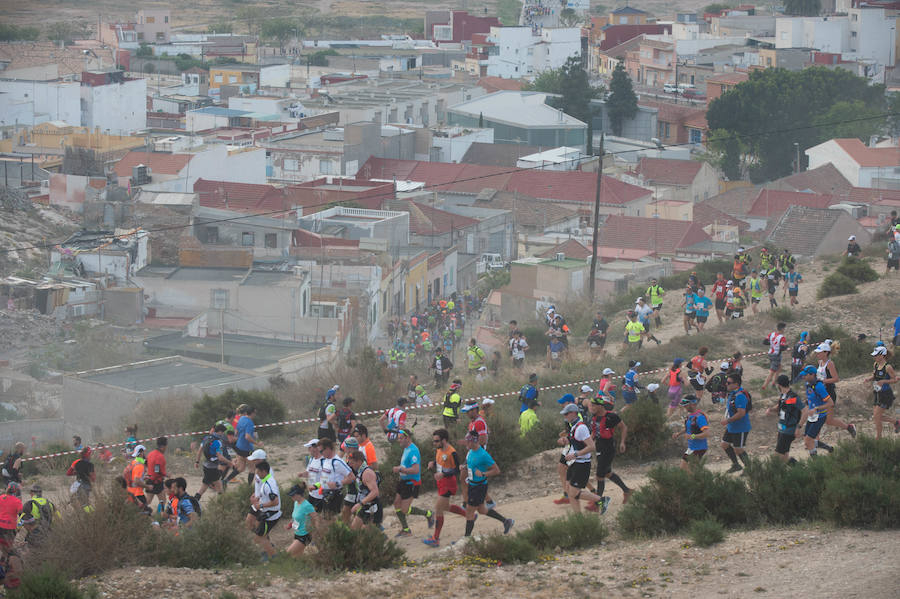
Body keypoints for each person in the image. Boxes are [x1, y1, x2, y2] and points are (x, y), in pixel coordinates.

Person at [460, 431, 513, 537]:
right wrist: (464, 467)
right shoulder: (470, 452)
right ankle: (506, 521)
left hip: (479, 487)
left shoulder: (483, 455)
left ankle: (466, 539)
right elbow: (470, 464)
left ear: (474, 441)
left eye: (468, 441)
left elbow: (496, 470)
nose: (466, 443)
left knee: (469, 513)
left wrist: (483, 473)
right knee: (482, 510)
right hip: (472, 485)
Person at [423, 429, 468, 547]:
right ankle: (468, 515)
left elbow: (457, 469)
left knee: (438, 508)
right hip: (441, 482)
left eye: (437, 441)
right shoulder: (439, 449)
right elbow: (440, 461)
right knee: (446, 507)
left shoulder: (451, 452)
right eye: (434, 441)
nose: (435, 443)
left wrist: (443, 474)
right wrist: (432, 463)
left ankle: (435, 538)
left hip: (448, 482)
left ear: (444, 440)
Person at [559, 404, 605, 513]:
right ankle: (578, 518)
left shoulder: (581, 427)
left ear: (574, 413)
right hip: (575, 463)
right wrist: (566, 441)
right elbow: (578, 442)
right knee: (570, 491)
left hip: (581, 464)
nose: (565, 416)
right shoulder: (574, 426)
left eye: (566, 414)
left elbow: (592, 446)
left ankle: (601, 500)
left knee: (574, 493)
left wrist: (575, 454)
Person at [588, 396, 631, 512]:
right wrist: (588, 444)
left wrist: (622, 442)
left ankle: (598, 503)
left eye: (593, 406)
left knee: (599, 476)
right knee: (607, 473)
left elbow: (624, 427)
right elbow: (594, 432)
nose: (591, 408)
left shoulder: (611, 416)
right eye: (591, 405)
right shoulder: (594, 417)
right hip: (599, 447)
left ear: (600, 406)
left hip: (608, 448)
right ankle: (627, 491)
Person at [391, 429, 434, 537]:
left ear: (407, 438)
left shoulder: (413, 450)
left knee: (405, 509)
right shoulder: (406, 448)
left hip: (412, 482)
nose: (398, 440)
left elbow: (416, 470)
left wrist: (400, 469)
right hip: (404, 481)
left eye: (401, 438)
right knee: (396, 503)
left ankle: (428, 514)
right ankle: (406, 529)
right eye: (398, 438)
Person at [815, 342, 856, 441]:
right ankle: (815, 440)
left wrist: (822, 381)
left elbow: (836, 378)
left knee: (828, 420)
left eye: (819, 352)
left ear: (825, 353)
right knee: (818, 417)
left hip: (829, 393)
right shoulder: (820, 363)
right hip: (821, 392)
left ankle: (849, 427)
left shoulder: (830, 364)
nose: (817, 354)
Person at [764, 375, 803, 464]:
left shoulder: (793, 397)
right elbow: (781, 406)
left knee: (776, 457)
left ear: (779, 385)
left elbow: (805, 411)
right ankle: (801, 470)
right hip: (782, 429)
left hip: (789, 430)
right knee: (784, 457)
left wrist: (798, 427)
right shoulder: (784, 396)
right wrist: (771, 409)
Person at [865, 346, 899, 439]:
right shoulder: (875, 364)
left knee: (877, 417)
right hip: (877, 393)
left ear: (883, 355)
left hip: (885, 394)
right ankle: (896, 422)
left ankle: (878, 438)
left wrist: (884, 381)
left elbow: (895, 379)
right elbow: (874, 375)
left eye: (876, 355)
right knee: (876, 417)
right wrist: (869, 378)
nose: (874, 357)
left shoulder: (888, 367)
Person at [249, 460, 281, 560]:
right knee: (261, 535)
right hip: (267, 513)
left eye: (258, 472)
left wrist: (261, 505)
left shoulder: (269, 484)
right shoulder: (266, 481)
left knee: (259, 537)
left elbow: (275, 501)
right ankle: (268, 554)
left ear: (263, 472)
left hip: (271, 515)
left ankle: (274, 557)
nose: (257, 474)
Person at [799, 365, 834, 457]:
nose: (803, 377)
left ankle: (816, 462)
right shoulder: (808, 384)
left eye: (805, 375)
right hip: (812, 416)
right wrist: (806, 403)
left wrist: (816, 408)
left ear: (812, 375)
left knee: (807, 440)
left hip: (820, 416)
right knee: (807, 440)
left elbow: (830, 403)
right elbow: (812, 397)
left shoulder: (819, 387)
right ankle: (828, 448)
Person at [721, 374, 752, 473]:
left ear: (736, 384)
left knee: (738, 449)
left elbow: (741, 413)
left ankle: (750, 468)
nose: (727, 384)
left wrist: (728, 420)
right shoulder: (732, 393)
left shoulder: (740, 396)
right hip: (732, 426)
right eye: (727, 382)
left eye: (729, 383)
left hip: (740, 427)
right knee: (724, 444)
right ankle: (736, 464)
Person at [195, 424, 235, 499]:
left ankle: (195, 499)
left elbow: (200, 450)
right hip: (212, 467)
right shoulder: (218, 442)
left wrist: (197, 462)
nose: (223, 434)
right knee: (218, 485)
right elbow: (220, 457)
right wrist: (230, 463)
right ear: (220, 431)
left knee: (205, 485)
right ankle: (222, 503)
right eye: (223, 432)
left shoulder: (206, 438)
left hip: (206, 465)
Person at [317, 439, 354, 518]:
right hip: (325, 494)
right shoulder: (325, 460)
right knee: (325, 519)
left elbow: (351, 477)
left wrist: (338, 483)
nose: (321, 453)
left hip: (334, 495)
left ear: (327, 448)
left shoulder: (337, 462)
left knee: (331, 520)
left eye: (321, 451)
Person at [347, 451, 382, 531]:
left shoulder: (367, 473)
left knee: (367, 533)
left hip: (373, 507)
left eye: (352, 463)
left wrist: (360, 503)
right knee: (354, 529)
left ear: (359, 461)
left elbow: (375, 492)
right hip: (365, 506)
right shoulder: (360, 471)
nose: (351, 465)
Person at [673, 395, 709, 471]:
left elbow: (706, 434)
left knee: (691, 469)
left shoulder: (700, 417)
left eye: (686, 405)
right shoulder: (689, 416)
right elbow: (688, 428)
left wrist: (691, 436)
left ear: (693, 404)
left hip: (699, 448)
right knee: (683, 468)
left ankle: (700, 481)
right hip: (691, 448)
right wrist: (678, 434)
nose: (684, 407)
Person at [235, 407, 265, 485]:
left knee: (241, 468)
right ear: (252, 413)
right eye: (255, 413)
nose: (255, 415)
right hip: (246, 448)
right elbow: (247, 437)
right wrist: (257, 443)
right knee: (252, 468)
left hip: (239, 446)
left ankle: (226, 480)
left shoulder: (241, 418)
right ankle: (249, 486)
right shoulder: (250, 423)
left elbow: (236, 431)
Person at [285, 482, 316, 555]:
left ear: (299, 494)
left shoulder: (307, 506)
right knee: (297, 557)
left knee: (288, 554)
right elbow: (296, 517)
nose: (291, 497)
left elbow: (316, 518)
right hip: (297, 533)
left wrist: (315, 537)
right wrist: (290, 525)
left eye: (293, 495)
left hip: (305, 535)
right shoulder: (296, 503)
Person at [762, 322, 789, 393]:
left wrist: (772, 344)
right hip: (776, 354)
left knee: (779, 367)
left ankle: (774, 382)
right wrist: (786, 346)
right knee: (772, 371)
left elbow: (764, 342)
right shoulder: (782, 337)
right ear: (782, 329)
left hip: (770, 352)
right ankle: (764, 386)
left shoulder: (771, 334)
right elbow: (782, 348)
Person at [123, 444, 151, 511]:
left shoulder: (133, 462)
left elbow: (133, 477)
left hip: (130, 492)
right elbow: (136, 480)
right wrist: (147, 486)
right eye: (144, 452)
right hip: (137, 494)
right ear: (141, 453)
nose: (145, 454)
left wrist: (143, 478)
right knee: (146, 512)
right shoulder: (139, 465)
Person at [145, 437, 168, 513]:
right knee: (163, 500)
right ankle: (159, 515)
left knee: (147, 501)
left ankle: (140, 514)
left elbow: (145, 463)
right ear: (163, 446)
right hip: (157, 481)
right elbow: (157, 471)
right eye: (166, 447)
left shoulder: (150, 453)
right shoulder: (160, 456)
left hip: (149, 479)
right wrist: (166, 474)